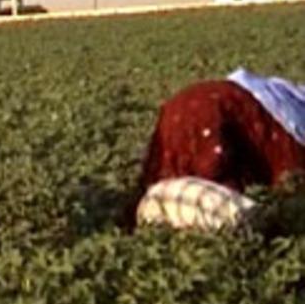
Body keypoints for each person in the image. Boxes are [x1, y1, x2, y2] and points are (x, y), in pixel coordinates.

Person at [129, 67, 305, 228]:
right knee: (219, 187)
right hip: (221, 107)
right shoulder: (288, 128)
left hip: (188, 102)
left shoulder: (279, 95)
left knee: (174, 172)